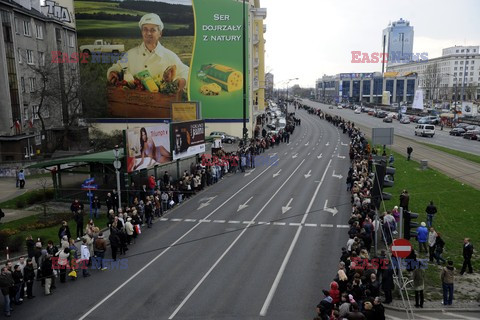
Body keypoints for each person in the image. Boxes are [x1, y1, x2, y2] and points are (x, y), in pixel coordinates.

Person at [107, 13, 188, 89]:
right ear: (142, 32)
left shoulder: (170, 56)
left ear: (160, 33)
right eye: (145, 29)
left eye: (153, 30)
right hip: (134, 101)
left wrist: (183, 81)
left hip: (160, 102)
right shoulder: (130, 54)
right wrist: (112, 72)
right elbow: (118, 67)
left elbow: (186, 71)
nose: (148, 33)